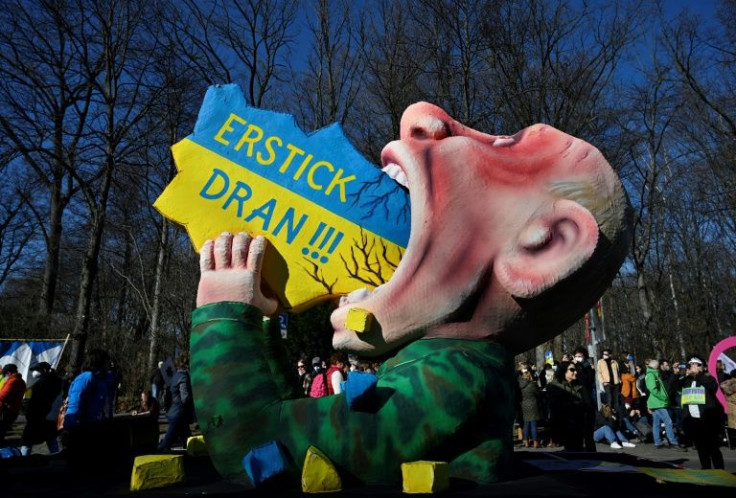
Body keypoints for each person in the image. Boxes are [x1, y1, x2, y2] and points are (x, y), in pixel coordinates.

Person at [189, 102, 631, 486]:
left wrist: (224, 317)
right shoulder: (446, 366)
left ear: (543, 247)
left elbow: (255, 445)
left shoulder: (456, 381)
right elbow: (292, 417)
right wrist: (263, 329)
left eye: (504, 145)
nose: (420, 118)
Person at [681, 355, 724, 469]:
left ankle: (720, 473)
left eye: (697, 364)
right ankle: (706, 472)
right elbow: (672, 387)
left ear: (704, 367)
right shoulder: (687, 381)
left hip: (708, 420)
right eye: (691, 364)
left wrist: (698, 374)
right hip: (694, 421)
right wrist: (677, 374)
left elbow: (712, 386)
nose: (694, 366)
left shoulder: (709, 378)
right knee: (701, 450)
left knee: (713, 449)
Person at [20, 362, 62, 456]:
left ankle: (22, 459)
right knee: (51, 439)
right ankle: (57, 457)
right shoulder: (58, 382)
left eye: (37, 370)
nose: (34, 373)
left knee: (27, 441)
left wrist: (29, 414)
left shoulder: (40, 384)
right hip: (52, 417)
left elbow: (36, 403)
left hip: (37, 417)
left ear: (43, 371)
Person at [547, 361, 590, 451]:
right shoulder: (554, 386)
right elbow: (555, 407)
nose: (575, 372)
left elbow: (587, 404)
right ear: (563, 371)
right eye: (572, 370)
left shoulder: (578, 385)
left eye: (576, 369)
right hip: (565, 426)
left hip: (579, 426)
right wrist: (575, 405)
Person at [645, 358, 685, 451]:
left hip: (656, 402)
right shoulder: (651, 375)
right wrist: (663, 397)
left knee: (656, 423)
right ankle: (673, 442)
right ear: (655, 366)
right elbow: (653, 389)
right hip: (658, 402)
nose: (659, 367)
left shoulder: (653, 374)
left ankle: (658, 442)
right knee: (668, 421)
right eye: (658, 366)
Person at [158, 353, 194, 451]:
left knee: (188, 439)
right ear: (187, 364)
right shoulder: (183, 377)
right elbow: (185, 397)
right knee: (165, 445)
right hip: (178, 414)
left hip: (176, 412)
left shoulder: (176, 375)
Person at [0, 364, 26, 444]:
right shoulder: (21, 381)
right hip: (13, 410)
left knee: (1, 429)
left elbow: (3, 396)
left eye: (5, 375)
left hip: (7, 410)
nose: (4, 377)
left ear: (8, 373)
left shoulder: (13, 381)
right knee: (3, 431)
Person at [518, 366, 542, 448]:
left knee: (526, 424)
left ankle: (526, 442)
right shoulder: (533, 384)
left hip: (524, 405)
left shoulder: (520, 386)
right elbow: (538, 394)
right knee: (533, 424)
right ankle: (535, 442)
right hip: (533, 404)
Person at [596, 348, 621, 415]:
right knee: (609, 399)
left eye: (606, 354)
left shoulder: (614, 362)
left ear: (610, 354)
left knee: (616, 400)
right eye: (604, 354)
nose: (605, 355)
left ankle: (617, 414)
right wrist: (603, 381)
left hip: (616, 383)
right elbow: (599, 373)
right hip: (607, 383)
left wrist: (619, 380)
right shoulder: (600, 362)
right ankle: (609, 414)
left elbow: (618, 372)